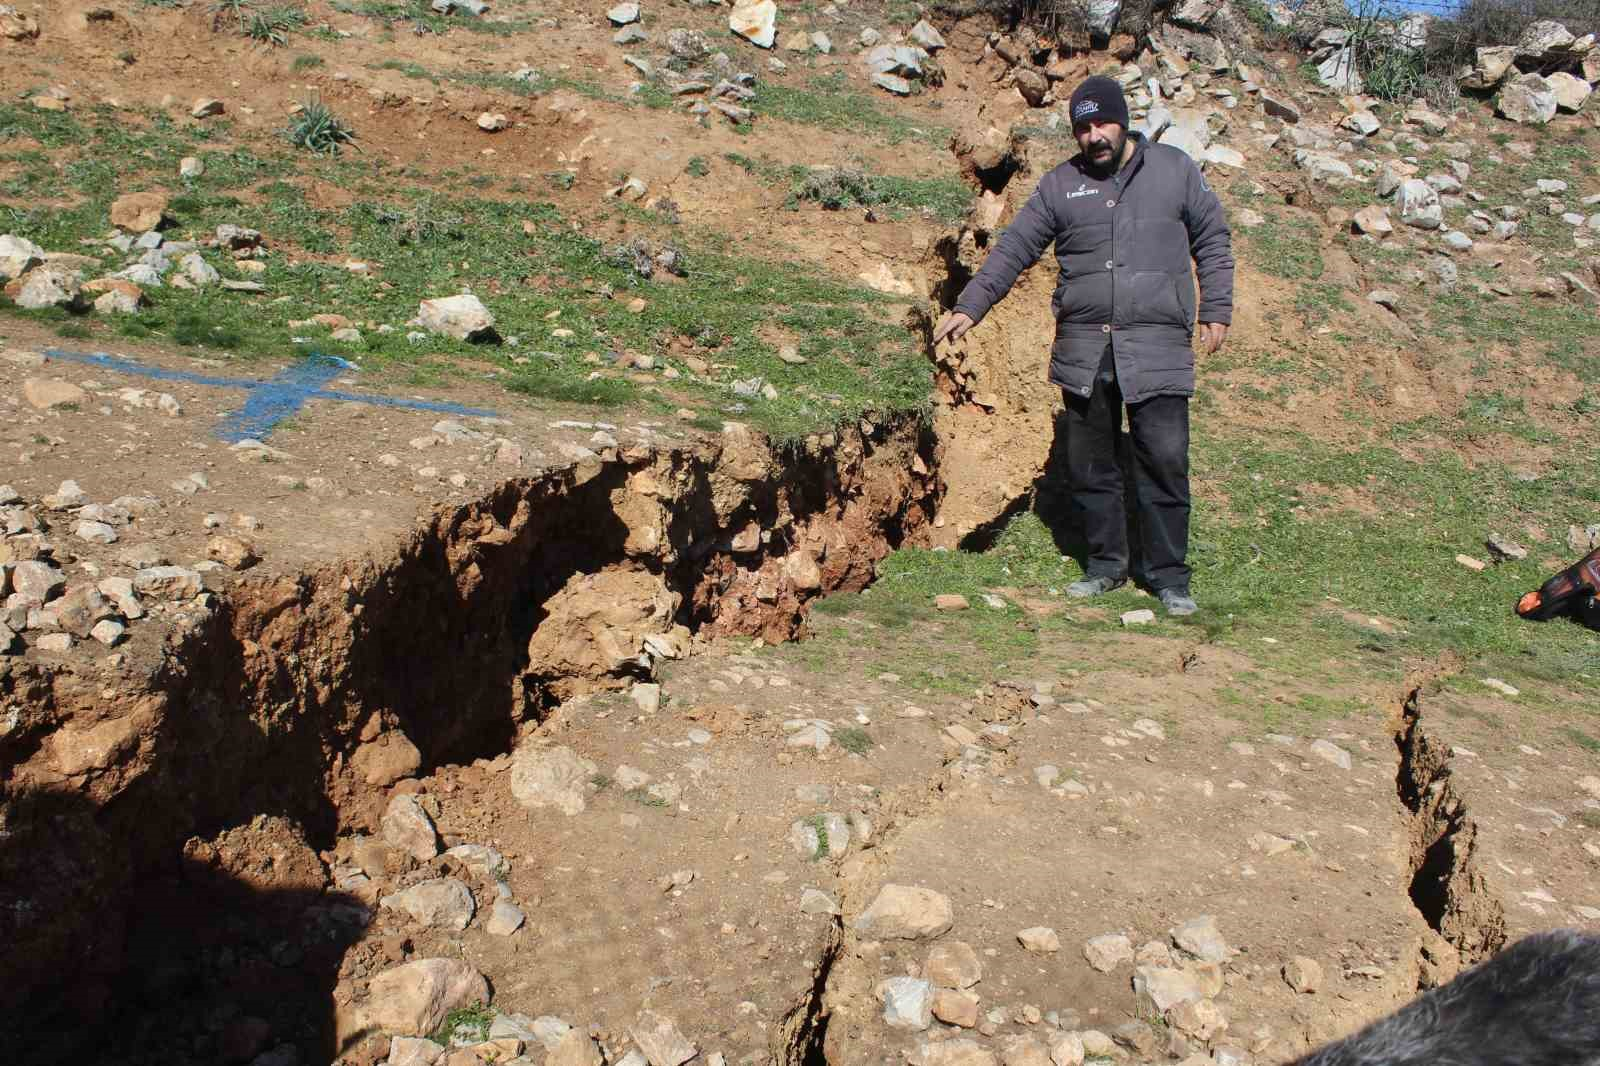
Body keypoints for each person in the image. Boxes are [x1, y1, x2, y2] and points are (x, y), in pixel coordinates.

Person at [933, 75, 1234, 616]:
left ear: (1124, 121)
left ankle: (1169, 577)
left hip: (1158, 346)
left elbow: (1212, 238)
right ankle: (1106, 566)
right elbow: (1015, 248)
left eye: (1103, 123)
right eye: (1084, 127)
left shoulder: (1174, 170)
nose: (1095, 136)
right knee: (1092, 464)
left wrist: (1216, 308)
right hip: (1084, 349)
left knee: (1164, 461)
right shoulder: (1060, 185)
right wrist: (970, 305)